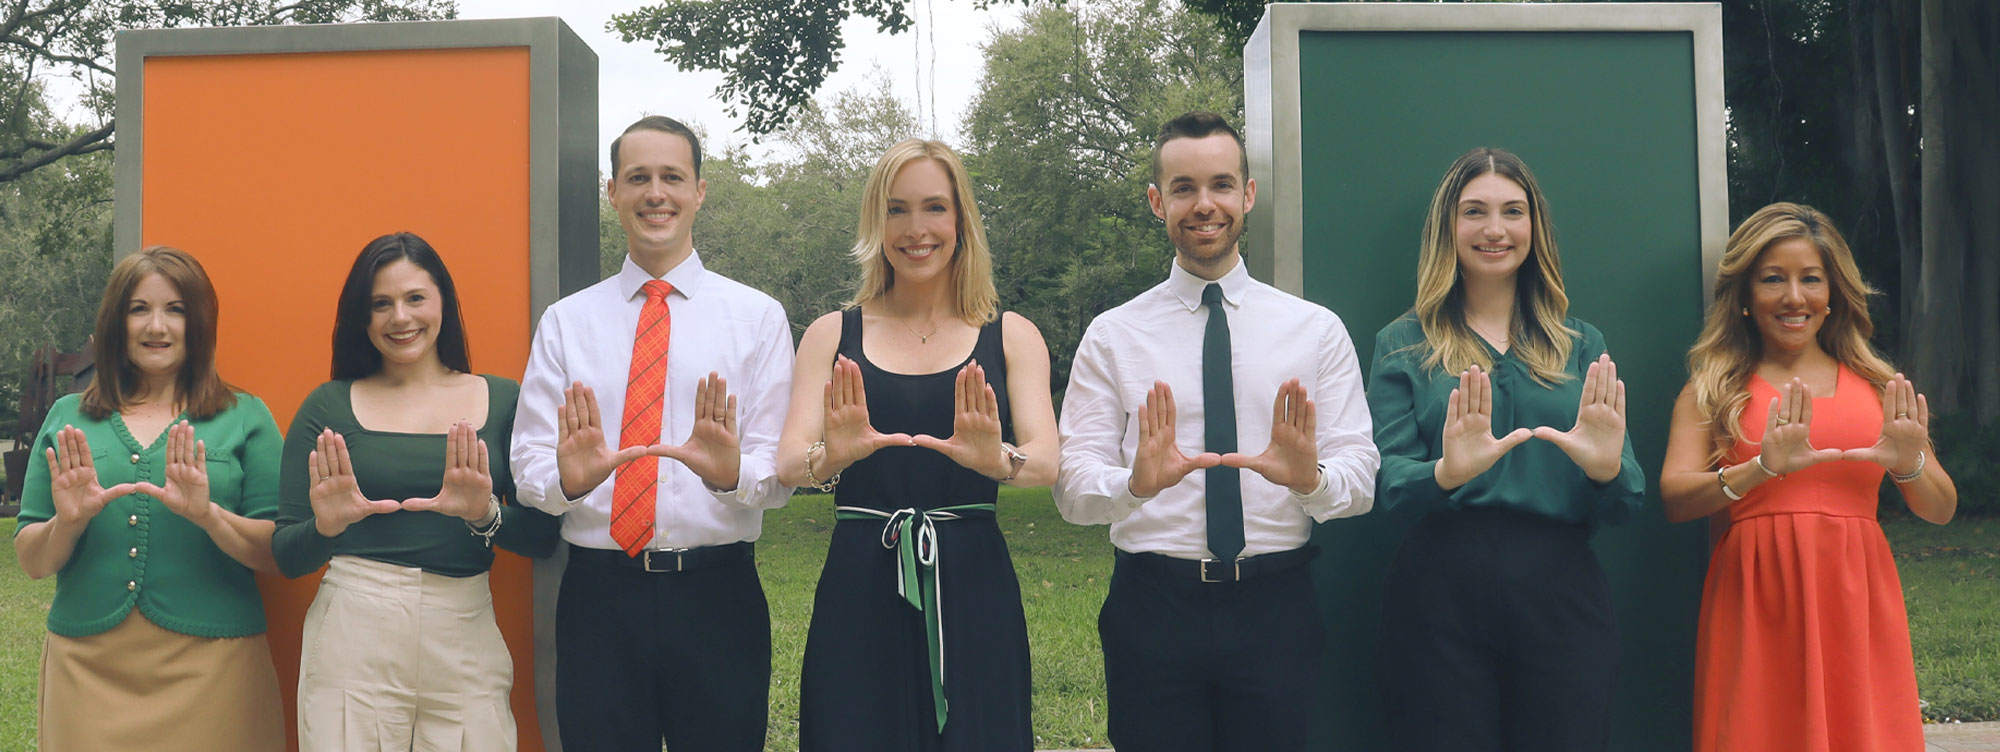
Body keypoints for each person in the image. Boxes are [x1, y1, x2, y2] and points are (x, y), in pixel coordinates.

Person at [1053, 111, 1380, 751]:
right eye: (1183, 188)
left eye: (1222, 185)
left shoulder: (1315, 331)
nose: (1205, 205)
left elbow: (1360, 476)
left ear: (1248, 195)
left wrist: (1308, 479)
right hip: (1153, 608)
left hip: (1277, 607)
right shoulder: (1113, 335)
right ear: (1157, 201)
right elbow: (1072, 488)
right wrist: (1134, 484)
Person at [510, 114, 794, 752]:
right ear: (613, 192)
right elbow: (528, 462)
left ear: (700, 192)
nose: (655, 193)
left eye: (672, 177)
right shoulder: (566, 322)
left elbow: (779, 470)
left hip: (718, 594)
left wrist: (728, 474)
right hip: (599, 595)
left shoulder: (758, 318)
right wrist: (568, 480)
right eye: (638, 177)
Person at [778, 138, 1059, 751]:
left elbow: (1046, 463)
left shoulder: (1012, 335)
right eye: (896, 210)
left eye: (935, 207)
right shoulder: (831, 334)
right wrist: (835, 456)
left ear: (961, 220)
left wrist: (999, 460)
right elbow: (788, 464)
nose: (916, 229)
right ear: (875, 224)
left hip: (973, 580)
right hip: (859, 578)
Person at [1366, 147, 1642, 752]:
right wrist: (1444, 472)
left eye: (1513, 211)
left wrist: (1603, 470)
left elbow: (1628, 499)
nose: (1495, 229)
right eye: (1475, 212)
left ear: (1534, 227)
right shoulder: (1402, 343)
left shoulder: (1580, 343)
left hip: (1561, 589)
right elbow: (1388, 484)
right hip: (1439, 592)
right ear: (1449, 227)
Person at [1660, 202, 1956, 752]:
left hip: (1856, 597)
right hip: (1756, 601)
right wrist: (1760, 468)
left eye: (1810, 279)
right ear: (1746, 296)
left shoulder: (1878, 387)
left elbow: (1939, 508)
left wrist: (1908, 461)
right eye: (1774, 279)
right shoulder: (1714, 389)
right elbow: (1676, 499)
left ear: (1833, 295)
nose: (1794, 297)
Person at [271, 232, 559, 750]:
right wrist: (327, 528)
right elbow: (287, 556)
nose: (399, 318)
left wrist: (484, 514)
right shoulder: (328, 407)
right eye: (380, 304)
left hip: (465, 628)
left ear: (443, 300)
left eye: (415, 298)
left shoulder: (504, 398)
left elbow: (543, 537)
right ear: (362, 317)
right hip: (353, 631)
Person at [13, 246, 286, 751]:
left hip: (215, 669)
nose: (156, 326)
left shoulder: (247, 416)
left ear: (199, 321)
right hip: (88, 668)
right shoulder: (68, 417)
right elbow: (31, 561)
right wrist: (67, 523)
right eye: (139, 309)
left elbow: (278, 552)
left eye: (175, 309)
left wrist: (209, 516)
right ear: (116, 322)